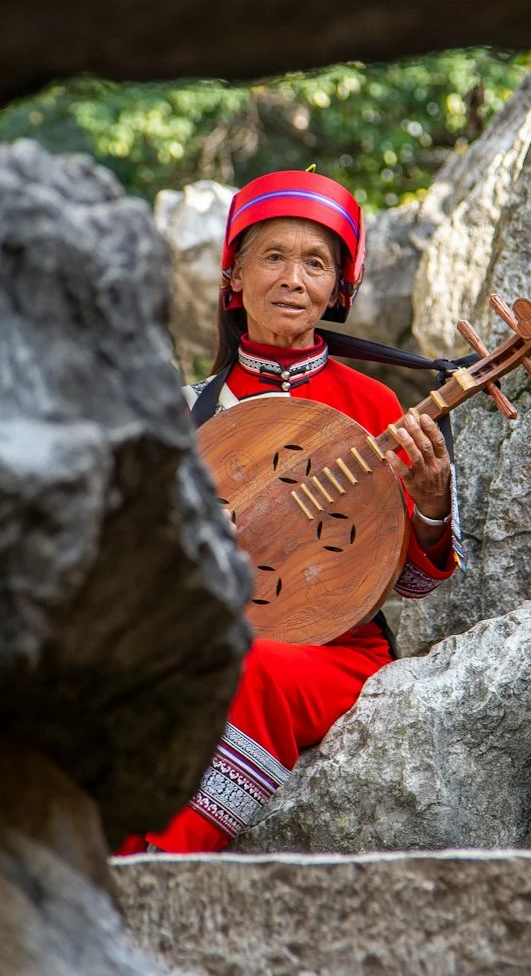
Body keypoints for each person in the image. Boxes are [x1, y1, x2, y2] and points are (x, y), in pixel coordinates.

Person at [117, 170, 455, 854]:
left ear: (339, 288)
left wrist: (431, 503)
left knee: (257, 666)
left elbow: (417, 586)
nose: (293, 279)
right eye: (273, 257)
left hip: (331, 648)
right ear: (234, 277)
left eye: (315, 263)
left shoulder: (379, 410)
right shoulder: (190, 414)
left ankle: (165, 863)